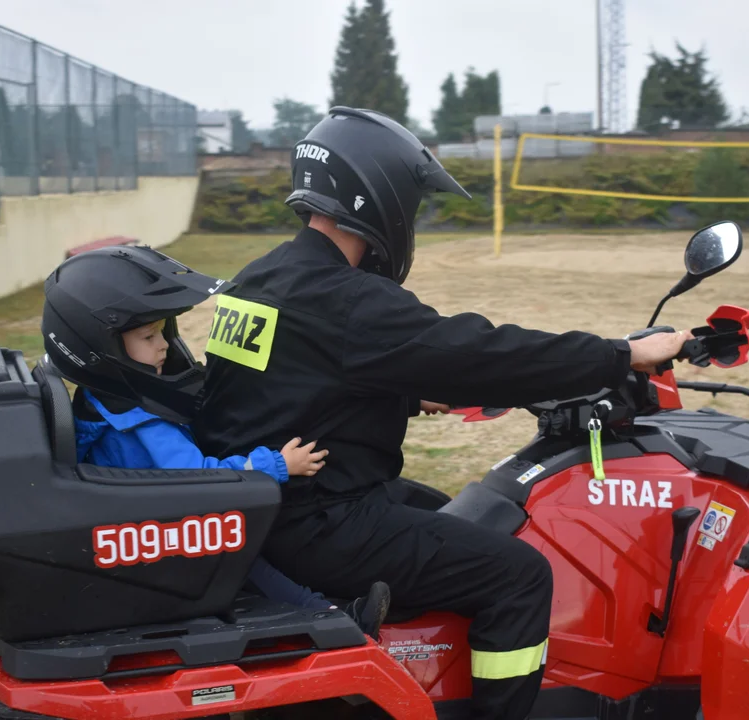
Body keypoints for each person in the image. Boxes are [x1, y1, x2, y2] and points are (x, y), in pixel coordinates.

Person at [193, 107, 692, 720]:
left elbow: (279, 382)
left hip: (271, 502)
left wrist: (403, 395)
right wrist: (622, 354)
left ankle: (430, 674)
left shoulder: (261, 276)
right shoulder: (349, 300)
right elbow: (476, 351)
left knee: (472, 519)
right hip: (320, 520)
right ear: (379, 197)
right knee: (519, 574)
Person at [40, 245, 390, 638]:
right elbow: (205, 484)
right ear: (99, 348)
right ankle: (335, 620)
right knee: (243, 554)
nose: (163, 346)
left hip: (139, 526)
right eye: (148, 336)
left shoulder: (104, 405)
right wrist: (277, 465)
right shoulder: (141, 426)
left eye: (163, 332)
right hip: (161, 535)